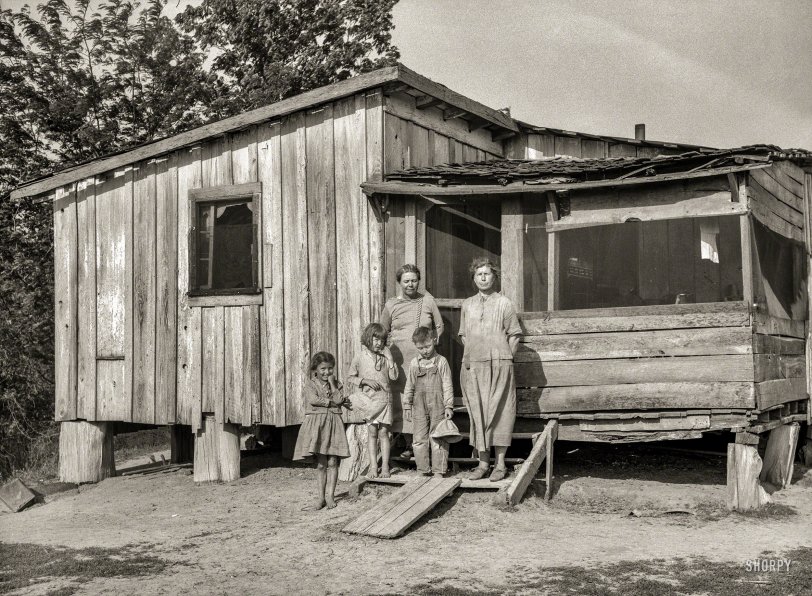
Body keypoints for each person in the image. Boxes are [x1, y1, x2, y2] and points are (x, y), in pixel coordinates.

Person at [459, 257, 522, 482]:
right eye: (479, 274)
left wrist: (505, 358)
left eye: (487, 273)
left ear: (494, 277)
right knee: (479, 413)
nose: (483, 277)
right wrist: (471, 359)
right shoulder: (467, 304)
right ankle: (483, 463)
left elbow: (514, 335)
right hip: (475, 367)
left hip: (500, 365)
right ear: (474, 278)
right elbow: (464, 336)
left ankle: (501, 464)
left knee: (501, 412)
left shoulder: (504, 303)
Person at [379, 264, 443, 455]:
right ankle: (407, 443)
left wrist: (430, 346)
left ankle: (424, 442)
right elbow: (382, 332)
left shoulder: (428, 301)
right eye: (406, 281)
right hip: (400, 361)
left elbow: (439, 326)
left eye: (414, 280)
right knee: (404, 399)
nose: (410, 284)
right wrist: (388, 356)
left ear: (418, 281)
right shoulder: (391, 304)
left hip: (424, 360)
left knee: (423, 397)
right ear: (399, 282)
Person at [292, 352, 352, 510]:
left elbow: (339, 399)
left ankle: (330, 496)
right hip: (318, 425)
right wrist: (331, 402)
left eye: (330, 369)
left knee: (333, 461)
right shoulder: (310, 384)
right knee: (321, 464)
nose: (327, 372)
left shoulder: (337, 384)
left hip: (334, 424)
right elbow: (313, 400)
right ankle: (320, 498)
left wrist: (332, 386)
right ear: (315, 370)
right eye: (323, 369)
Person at [347, 323, 398, 478]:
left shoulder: (385, 357)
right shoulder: (360, 357)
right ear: (368, 339)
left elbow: (394, 377)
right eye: (375, 339)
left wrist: (390, 359)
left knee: (384, 432)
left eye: (381, 340)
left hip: (384, 399)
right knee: (372, 432)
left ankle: (385, 468)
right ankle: (373, 467)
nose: (379, 343)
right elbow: (350, 377)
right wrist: (365, 381)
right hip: (370, 400)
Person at [402, 326, 454, 477]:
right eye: (420, 348)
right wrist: (407, 405)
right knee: (419, 439)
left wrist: (449, 405)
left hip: (438, 404)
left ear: (434, 341)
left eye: (428, 346)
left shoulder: (441, 362)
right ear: (415, 346)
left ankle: (439, 470)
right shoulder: (414, 363)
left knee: (438, 437)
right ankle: (423, 470)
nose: (425, 350)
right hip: (418, 405)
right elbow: (409, 385)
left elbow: (447, 385)